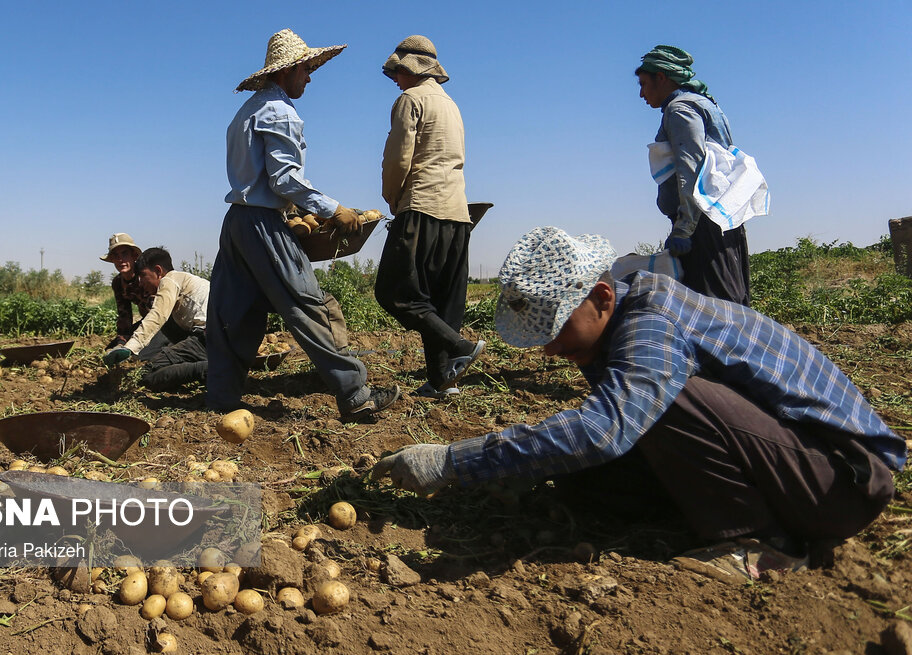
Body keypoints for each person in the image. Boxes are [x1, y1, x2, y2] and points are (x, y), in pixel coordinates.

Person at [373, 227, 906, 583]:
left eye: (556, 328)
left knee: (658, 403)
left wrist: (456, 460)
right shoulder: (623, 324)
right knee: (588, 477)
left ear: (603, 297)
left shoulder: (653, 321)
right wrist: (524, 465)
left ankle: (769, 544)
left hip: (841, 482)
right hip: (798, 468)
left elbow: (607, 429)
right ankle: (723, 516)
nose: (551, 348)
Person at [207, 28, 400, 421]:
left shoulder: (246, 112)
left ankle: (221, 396)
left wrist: (297, 211)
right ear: (289, 70)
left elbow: (265, 179)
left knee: (232, 312)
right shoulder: (280, 112)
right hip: (263, 224)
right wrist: (333, 209)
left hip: (237, 224)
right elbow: (285, 180)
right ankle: (354, 393)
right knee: (306, 304)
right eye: (308, 69)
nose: (310, 77)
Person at [374, 35, 484, 399]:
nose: (394, 79)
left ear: (409, 68)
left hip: (421, 206)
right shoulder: (452, 105)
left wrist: (391, 196)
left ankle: (460, 347)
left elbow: (398, 158)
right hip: (457, 212)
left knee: (395, 292)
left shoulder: (410, 99)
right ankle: (442, 381)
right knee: (440, 300)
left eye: (397, 71)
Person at [636, 45, 751, 306]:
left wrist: (684, 229)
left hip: (702, 226)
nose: (641, 93)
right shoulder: (706, 104)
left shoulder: (680, 110)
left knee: (713, 309)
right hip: (720, 218)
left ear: (662, 78)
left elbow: (693, 168)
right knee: (730, 301)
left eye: (644, 83)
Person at [103, 248, 209, 391]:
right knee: (168, 327)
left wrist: (129, 348)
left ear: (158, 271)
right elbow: (126, 317)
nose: (140, 282)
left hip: (207, 336)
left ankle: (213, 369)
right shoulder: (185, 279)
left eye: (143, 276)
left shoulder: (169, 280)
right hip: (218, 334)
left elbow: (157, 316)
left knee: (147, 375)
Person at [100, 233, 152, 350]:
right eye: (116, 255)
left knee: (140, 352)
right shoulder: (118, 283)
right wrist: (121, 342)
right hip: (146, 324)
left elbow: (160, 314)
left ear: (134, 256)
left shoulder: (146, 276)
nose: (120, 260)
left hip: (164, 323)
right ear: (112, 259)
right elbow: (125, 317)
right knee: (110, 349)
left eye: (124, 254)